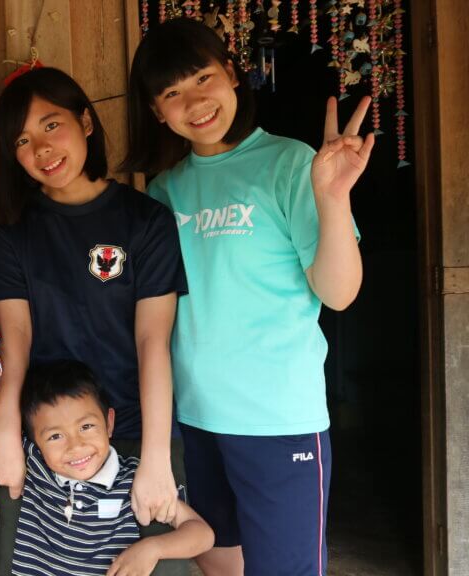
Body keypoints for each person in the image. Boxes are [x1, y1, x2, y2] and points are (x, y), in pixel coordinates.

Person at [124, 18, 374, 576]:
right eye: (172, 93)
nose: (194, 102)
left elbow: (338, 294)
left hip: (279, 421)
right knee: (218, 565)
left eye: (203, 78)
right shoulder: (164, 191)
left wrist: (333, 198)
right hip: (197, 419)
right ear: (156, 111)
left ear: (233, 74)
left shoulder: (291, 164)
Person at [0, 66, 189, 575]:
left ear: (86, 122)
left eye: (51, 125)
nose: (41, 149)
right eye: (22, 141)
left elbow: (153, 341)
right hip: (47, 443)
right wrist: (7, 434)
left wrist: (157, 457)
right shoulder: (9, 230)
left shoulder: (146, 221)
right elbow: (16, 338)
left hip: (137, 430)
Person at [0, 360, 214, 576]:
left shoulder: (133, 481)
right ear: (36, 440)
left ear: (109, 423)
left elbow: (201, 534)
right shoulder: (31, 462)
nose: (76, 446)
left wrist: (152, 549)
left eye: (86, 427)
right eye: (55, 436)